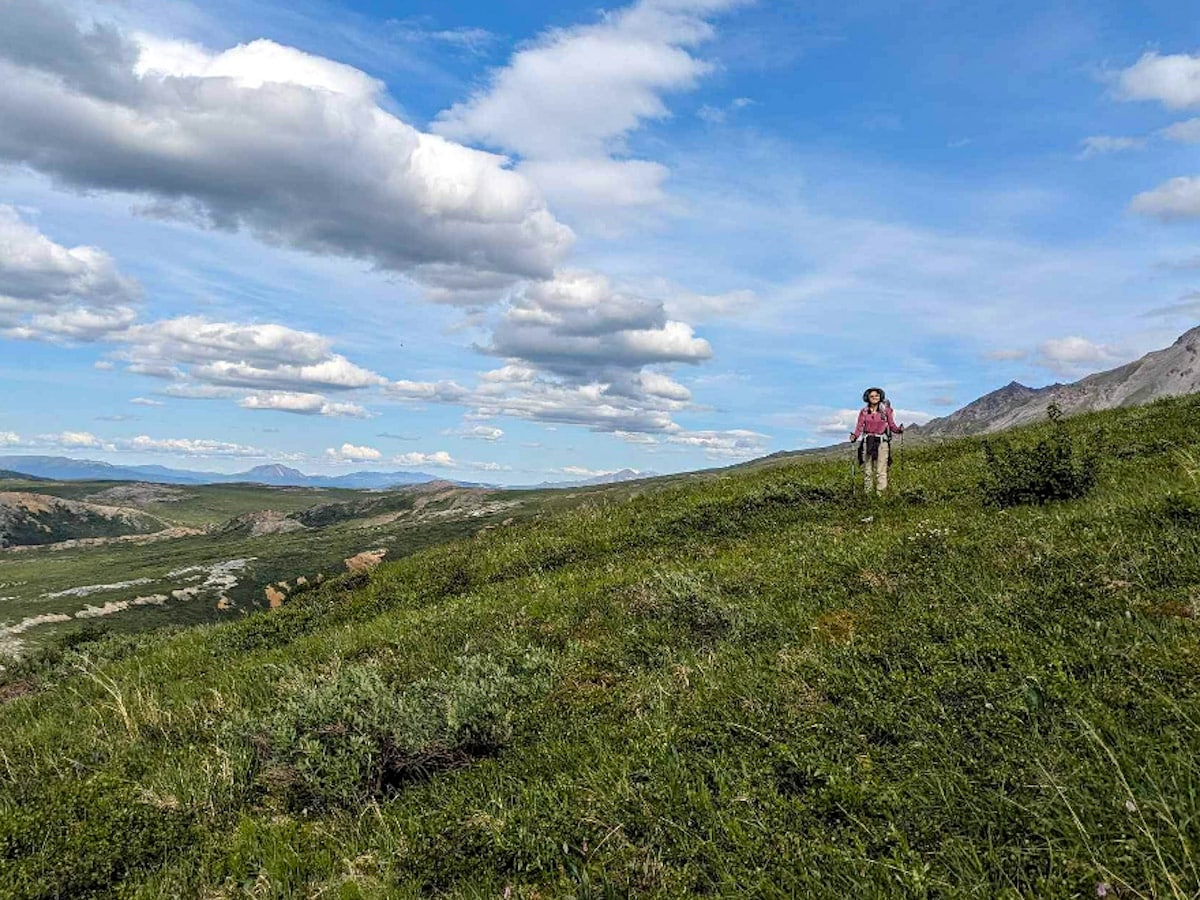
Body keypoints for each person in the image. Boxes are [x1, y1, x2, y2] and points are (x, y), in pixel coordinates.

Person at [849, 387, 903, 494]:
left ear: (880, 397)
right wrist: (854, 436)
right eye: (872, 396)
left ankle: (881, 496)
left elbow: (892, 425)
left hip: (882, 442)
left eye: (877, 396)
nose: (874, 398)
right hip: (867, 442)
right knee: (868, 471)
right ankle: (868, 495)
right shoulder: (864, 412)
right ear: (868, 398)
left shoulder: (886, 411)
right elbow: (859, 426)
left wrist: (899, 430)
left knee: (881, 471)